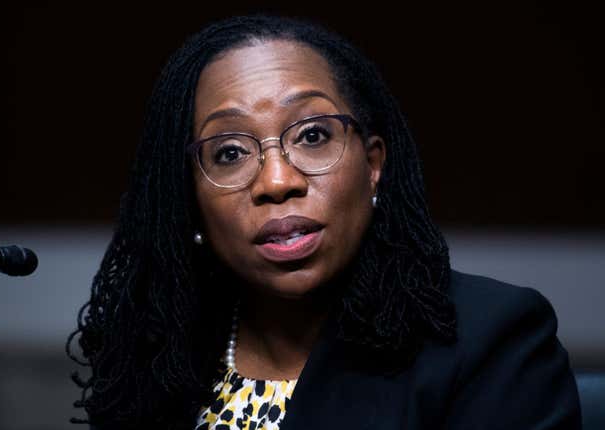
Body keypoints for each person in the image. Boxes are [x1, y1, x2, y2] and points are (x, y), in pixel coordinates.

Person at [66, 14, 582, 430]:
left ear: (373, 164)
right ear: (188, 198)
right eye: (229, 151)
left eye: (312, 136)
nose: (276, 180)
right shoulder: (156, 356)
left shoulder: (491, 339)